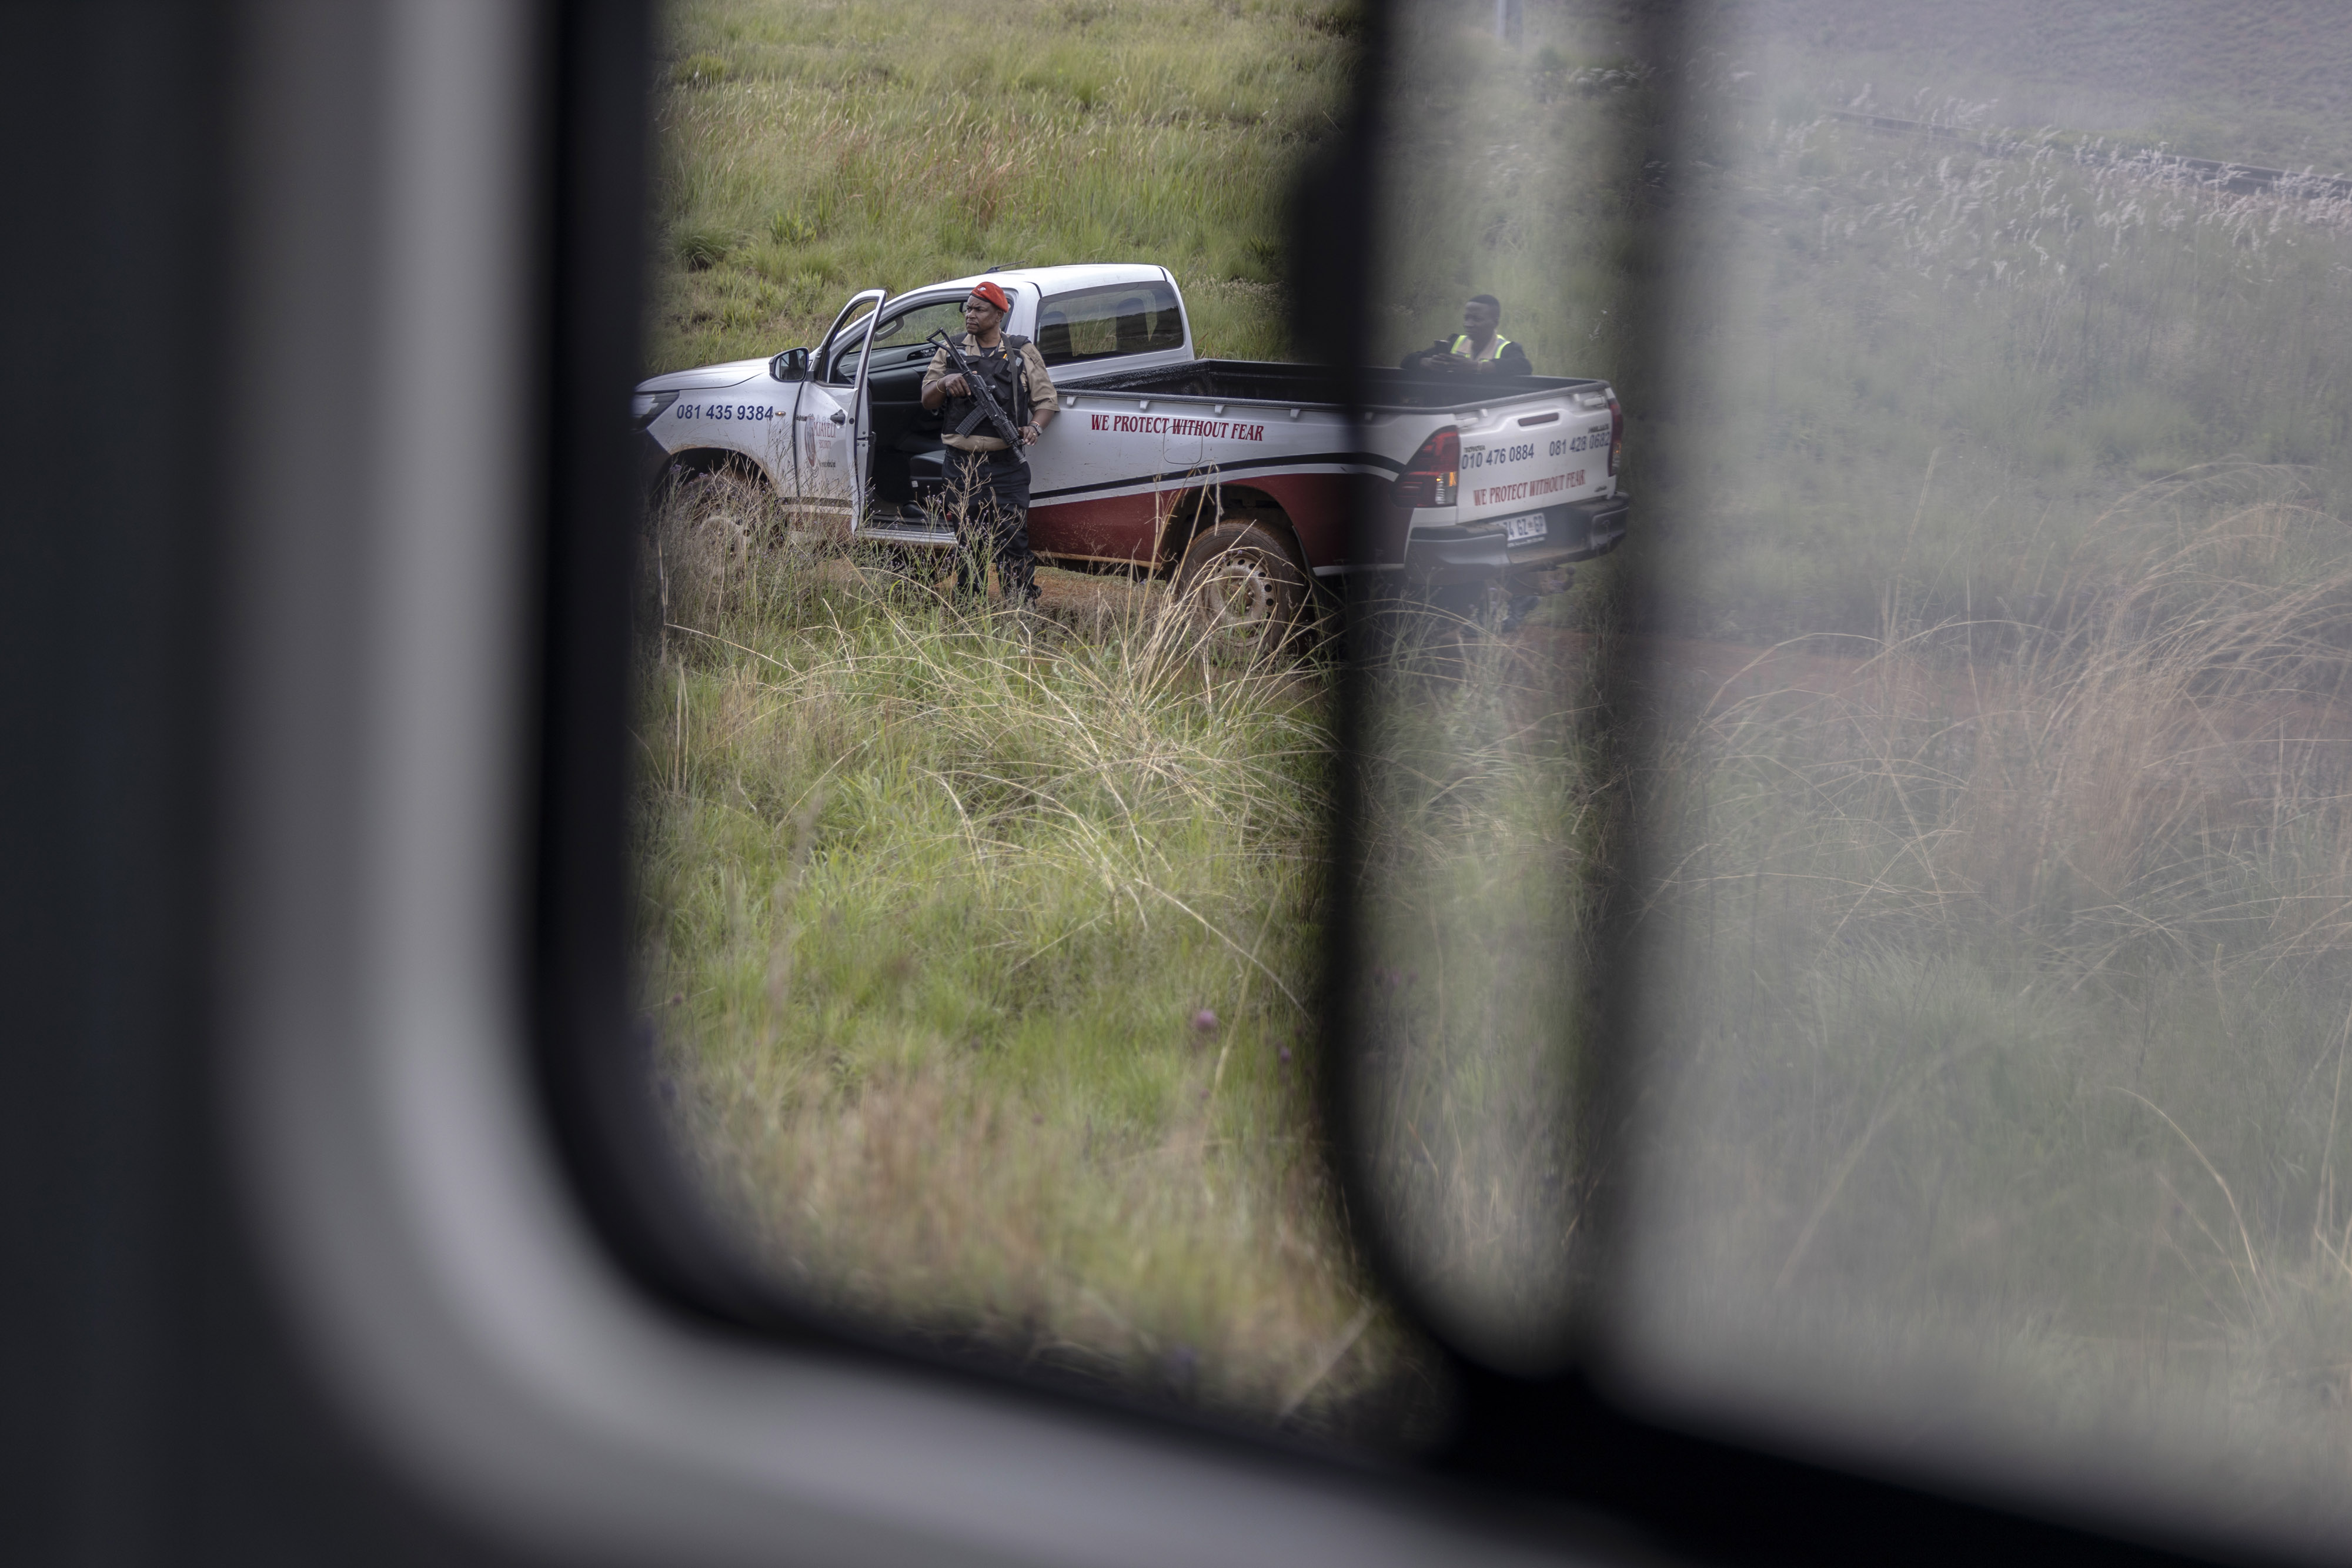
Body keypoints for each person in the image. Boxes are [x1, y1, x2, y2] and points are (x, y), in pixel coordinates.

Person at [920, 280, 1058, 606]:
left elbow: (1047, 401)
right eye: (968, 308)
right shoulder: (950, 349)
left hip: (1006, 465)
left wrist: (1034, 428)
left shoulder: (1021, 351)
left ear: (999, 316)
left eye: (979, 310)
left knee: (1014, 542)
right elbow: (927, 399)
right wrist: (945, 382)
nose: (970, 315)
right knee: (969, 544)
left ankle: (1019, 609)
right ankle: (969, 608)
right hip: (961, 464)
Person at [1399, 294, 1531, 377]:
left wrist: (1476, 367)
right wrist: (1429, 363)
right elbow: (1407, 361)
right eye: (1466, 318)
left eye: (1477, 319)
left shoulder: (1507, 348)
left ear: (1495, 323)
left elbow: (1524, 366)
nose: (1468, 324)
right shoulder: (1455, 342)